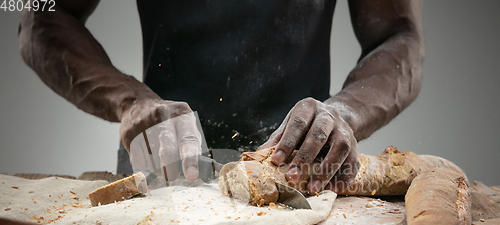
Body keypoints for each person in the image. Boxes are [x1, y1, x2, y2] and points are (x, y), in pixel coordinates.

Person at [18, 0, 424, 195]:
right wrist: (130, 100)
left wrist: (344, 113)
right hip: (162, 171)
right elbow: (41, 14)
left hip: (300, 174)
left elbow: (399, 35)